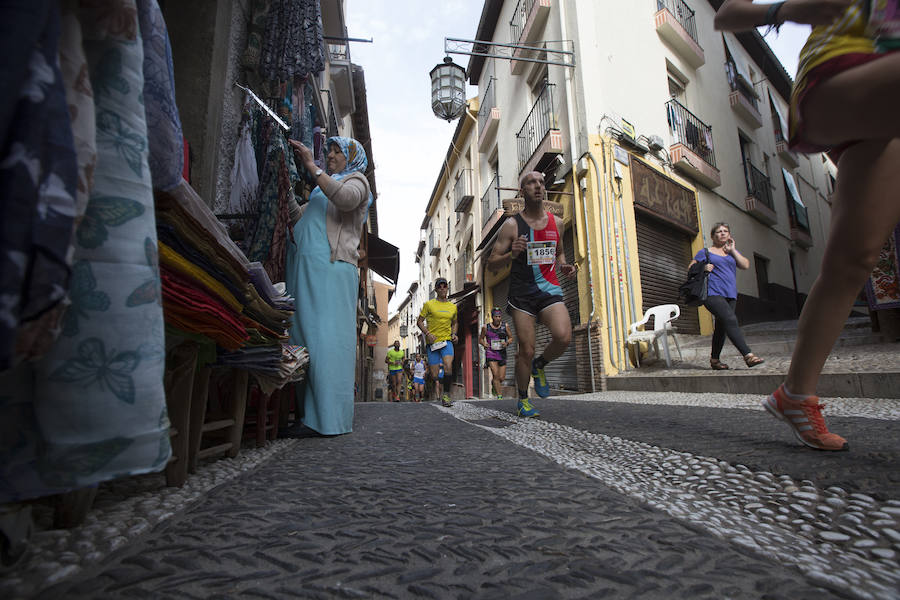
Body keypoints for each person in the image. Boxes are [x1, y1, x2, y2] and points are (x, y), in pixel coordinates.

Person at [714, 0, 900, 451]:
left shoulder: (727, 248)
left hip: (883, 114)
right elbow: (725, 14)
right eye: (718, 232)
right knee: (726, 319)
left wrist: (734, 253)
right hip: (840, 77)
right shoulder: (708, 252)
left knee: (852, 260)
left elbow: (740, 261)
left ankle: (795, 393)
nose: (722, 235)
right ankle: (739, 356)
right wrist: (789, 9)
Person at [284, 136, 371, 436]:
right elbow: (301, 216)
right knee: (305, 336)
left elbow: (346, 200)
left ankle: (327, 419)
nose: (330, 155)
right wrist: (284, 191)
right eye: (329, 150)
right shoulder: (325, 187)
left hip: (331, 271)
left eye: (337, 151)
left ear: (352, 158)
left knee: (326, 341)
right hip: (309, 269)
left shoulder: (357, 181)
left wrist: (311, 166)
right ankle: (309, 414)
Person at [487, 171, 576, 417]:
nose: (538, 186)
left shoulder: (557, 223)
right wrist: (511, 254)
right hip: (522, 295)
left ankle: (541, 365)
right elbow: (491, 263)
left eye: (541, 182)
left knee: (563, 336)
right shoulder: (512, 225)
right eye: (531, 183)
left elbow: (558, 252)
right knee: (525, 349)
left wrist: (565, 264)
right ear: (522, 190)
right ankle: (524, 399)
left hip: (549, 288)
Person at [687, 222, 765, 371]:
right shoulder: (705, 252)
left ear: (729, 235)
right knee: (730, 319)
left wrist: (733, 250)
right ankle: (748, 355)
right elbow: (691, 267)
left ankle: (715, 360)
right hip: (711, 292)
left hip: (730, 294)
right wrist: (703, 267)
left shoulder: (731, 253)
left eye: (725, 231)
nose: (722, 233)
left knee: (721, 327)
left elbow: (745, 265)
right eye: (718, 231)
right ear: (713, 236)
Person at [417, 277, 458, 406]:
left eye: (444, 286)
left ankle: (446, 395)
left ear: (447, 287)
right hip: (432, 343)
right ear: (435, 289)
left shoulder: (452, 307)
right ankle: (436, 380)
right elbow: (419, 321)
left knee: (448, 366)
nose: (442, 288)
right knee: (435, 375)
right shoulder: (429, 305)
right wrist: (427, 334)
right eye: (439, 286)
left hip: (446, 341)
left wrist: (454, 334)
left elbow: (455, 322)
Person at [480, 306, 513, 400]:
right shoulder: (486, 327)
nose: (498, 318)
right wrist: (484, 344)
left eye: (499, 316)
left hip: (502, 353)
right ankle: (499, 396)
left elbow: (511, 338)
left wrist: (506, 343)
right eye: (496, 316)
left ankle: (494, 384)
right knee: (496, 374)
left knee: (501, 378)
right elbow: (480, 339)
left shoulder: (505, 326)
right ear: (492, 317)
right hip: (491, 353)